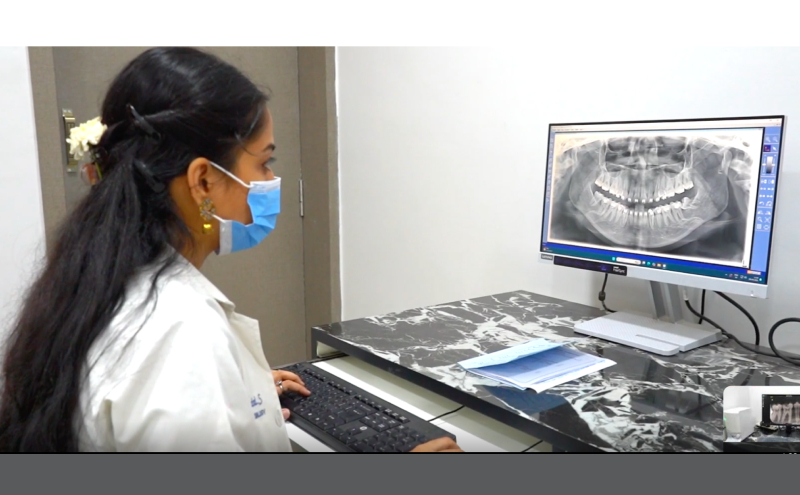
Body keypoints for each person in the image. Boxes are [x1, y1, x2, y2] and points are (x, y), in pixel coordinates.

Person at [0, 47, 462, 453]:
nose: (270, 182)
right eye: (264, 163)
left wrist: (243, 393)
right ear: (203, 181)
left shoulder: (98, 284)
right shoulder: (180, 336)